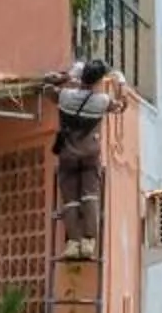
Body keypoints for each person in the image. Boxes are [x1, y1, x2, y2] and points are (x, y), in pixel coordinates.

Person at [48, 58, 121, 258]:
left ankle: (73, 243)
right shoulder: (102, 101)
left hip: (67, 154)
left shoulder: (65, 96)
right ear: (98, 81)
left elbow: (47, 89)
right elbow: (121, 106)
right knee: (90, 196)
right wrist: (119, 85)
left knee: (70, 200)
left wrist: (65, 78)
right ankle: (89, 242)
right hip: (90, 154)